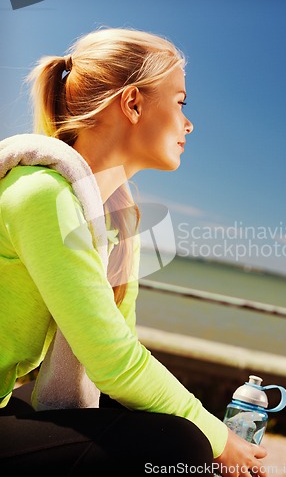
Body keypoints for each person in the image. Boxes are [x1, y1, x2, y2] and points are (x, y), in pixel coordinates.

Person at [0, 27, 267, 475]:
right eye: (180, 102)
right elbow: (113, 361)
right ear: (133, 103)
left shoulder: (116, 224)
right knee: (177, 446)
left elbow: (120, 349)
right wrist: (219, 438)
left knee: (158, 427)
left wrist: (211, 434)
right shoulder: (41, 194)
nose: (189, 122)